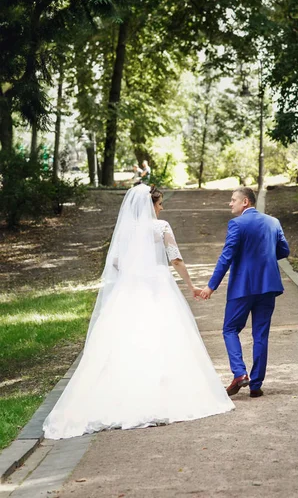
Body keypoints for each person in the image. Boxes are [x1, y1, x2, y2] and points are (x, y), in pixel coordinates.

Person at [43, 184, 234, 439]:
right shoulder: (160, 227)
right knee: (163, 336)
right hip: (158, 287)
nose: (162, 208)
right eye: (159, 203)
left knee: (126, 340)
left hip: (129, 289)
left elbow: (115, 262)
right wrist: (191, 287)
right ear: (150, 205)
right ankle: (163, 396)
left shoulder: (126, 231)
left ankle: (122, 397)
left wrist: (133, 274)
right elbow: (175, 259)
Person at [201, 187, 289, 398]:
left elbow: (226, 257)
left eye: (233, 200)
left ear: (246, 202)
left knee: (230, 328)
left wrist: (211, 286)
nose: (230, 203)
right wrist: (264, 255)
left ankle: (240, 374)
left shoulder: (237, 224)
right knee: (261, 334)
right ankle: (256, 384)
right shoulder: (273, 222)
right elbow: (284, 250)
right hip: (268, 286)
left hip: (243, 287)